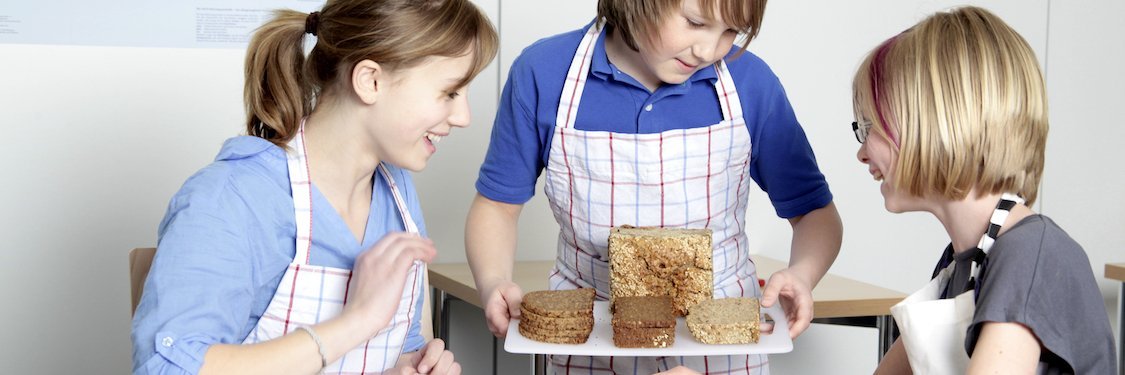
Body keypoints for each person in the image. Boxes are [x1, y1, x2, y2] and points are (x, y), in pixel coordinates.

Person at [466, 0, 842, 372]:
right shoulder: (544, 74)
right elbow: (497, 206)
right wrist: (493, 279)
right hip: (591, 338)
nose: (708, 50)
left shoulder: (750, 83)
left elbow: (814, 213)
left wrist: (803, 273)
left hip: (721, 339)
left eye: (730, 31)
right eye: (695, 23)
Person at [130, 0, 498, 374]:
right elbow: (166, 366)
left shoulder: (395, 194)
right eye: (450, 92)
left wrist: (411, 365)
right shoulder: (233, 197)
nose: (464, 117)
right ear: (370, 81)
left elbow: (399, 344)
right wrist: (356, 321)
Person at [852, 6, 1116, 374]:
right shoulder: (961, 262)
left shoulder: (1030, 256)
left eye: (869, 126)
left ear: (936, 122)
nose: (862, 153)